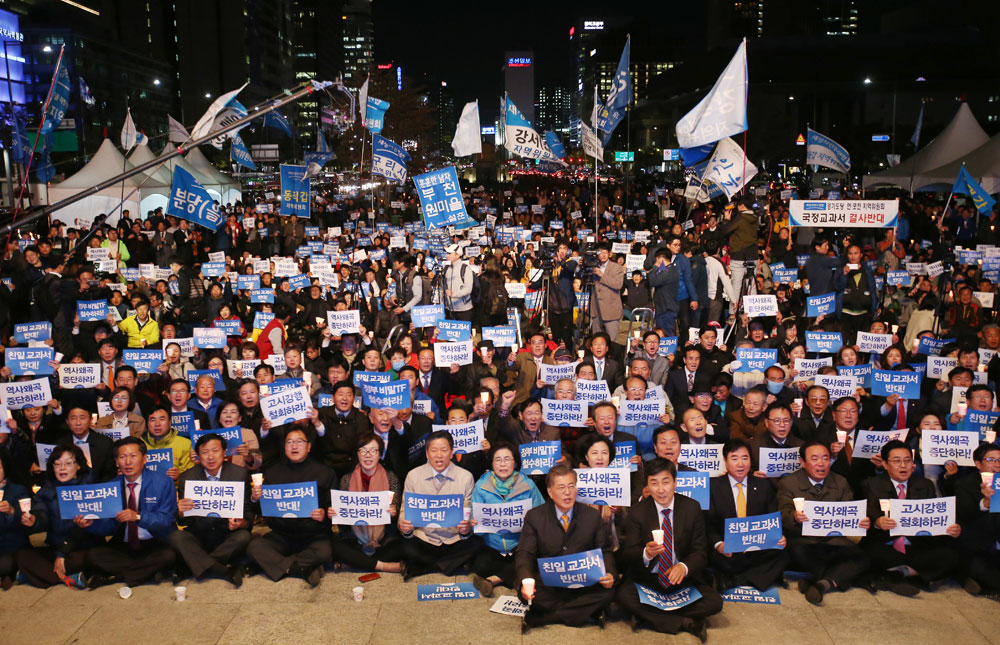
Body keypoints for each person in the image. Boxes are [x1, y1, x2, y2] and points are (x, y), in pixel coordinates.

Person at [617, 458, 722, 637]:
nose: (661, 489)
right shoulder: (638, 511)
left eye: (665, 482)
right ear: (648, 486)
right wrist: (646, 554)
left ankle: (649, 616)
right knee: (623, 596)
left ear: (675, 483)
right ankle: (686, 622)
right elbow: (629, 553)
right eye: (654, 483)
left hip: (681, 581)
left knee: (715, 602)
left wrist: (683, 567)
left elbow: (700, 552)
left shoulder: (691, 508)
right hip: (649, 580)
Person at [516, 464, 617, 632]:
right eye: (561, 487)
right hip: (549, 584)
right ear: (550, 492)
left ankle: (545, 617)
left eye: (571, 486)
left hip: (583, 583)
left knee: (610, 591)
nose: (567, 492)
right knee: (525, 592)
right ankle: (584, 613)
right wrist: (525, 581)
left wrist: (610, 574)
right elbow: (525, 554)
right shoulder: (535, 516)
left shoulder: (591, 516)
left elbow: (604, 550)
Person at [861, 440, 962, 595]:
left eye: (907, 461)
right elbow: (869, 512)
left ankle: (895, 575)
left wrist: (949, 529)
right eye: (896, 461)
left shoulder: (925, 485)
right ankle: (916, 575)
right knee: (867, 553)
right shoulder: (872, 484)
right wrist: (878, 522)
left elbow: (933, 518)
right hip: (886, 544)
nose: (903, 465)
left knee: (951, 555)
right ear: (885, 464)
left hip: (916, 545)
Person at [777, 441, 871, 605]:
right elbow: (782, 514)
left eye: (825, 458)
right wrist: (794, 517)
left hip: (835, 541)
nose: (821, 464)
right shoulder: (789, 483)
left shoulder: (840, 482)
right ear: (803, 462)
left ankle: (819, 584)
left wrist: (861, 522)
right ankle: (837, 579)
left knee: (863, 557)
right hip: (805, 541)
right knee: (797, 552)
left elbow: (851, 512)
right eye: (815, 459)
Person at [84, 437, 178, 588]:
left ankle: (115, 577)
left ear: (145, 458)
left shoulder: (163, 482)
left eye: (133, 456)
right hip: (124, 543)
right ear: (116, 462)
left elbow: (167, 520)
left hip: (154, 541)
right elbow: (107, 527)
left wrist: (138, 517)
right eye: (122, 457)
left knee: (169, 556)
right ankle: (147, 572)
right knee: (93, 555)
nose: (128, 462)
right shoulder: (110, 487)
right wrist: (91, 524)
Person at [247, 427, 335, 586]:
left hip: (314, 535)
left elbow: (333, 507)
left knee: (325, 551)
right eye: (290, 442)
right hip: (281, 535)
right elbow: (261, 511)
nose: (294, 446)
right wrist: (255, 498)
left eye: (299, 442)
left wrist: (324, 514)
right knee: (255, 546)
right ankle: (301, 569)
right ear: (284, 447)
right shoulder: (272, 472)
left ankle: (278, 565)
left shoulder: (325, 472)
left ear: (309, 446)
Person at [704, 440, 789, 592]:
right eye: (734, 458)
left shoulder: (763, 485)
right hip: (727, 549)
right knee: (712, 557)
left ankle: (737, 579)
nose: (740, 464)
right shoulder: (713, 486)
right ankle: (758, 576)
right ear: (725, 461)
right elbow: (708, 523)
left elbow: (772, 517)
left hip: (757, 547)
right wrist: (719, 545)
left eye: (745, 458)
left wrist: (778, 537)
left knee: (782, 554)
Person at [171, 432, 254, 587]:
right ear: (197, 455)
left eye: (215, 451)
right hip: (199, 536)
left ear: (224, 453)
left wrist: (241, 523)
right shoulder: (187, 477)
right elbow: (183, 519)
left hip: (227, 536)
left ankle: (194, 564)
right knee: (177, 537)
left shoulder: (239, 474)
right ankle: (221, 569)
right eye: (205, 452)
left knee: (244, 537)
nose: (210, 457)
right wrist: (180, 511)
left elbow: (248, 515)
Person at [398, 431, 478, 579]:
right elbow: (404, 511)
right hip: (425, 539)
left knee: (477, 544)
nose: (439, 455)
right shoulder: (413, 476)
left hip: (454, 539)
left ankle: (425, 567)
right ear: (427, 454)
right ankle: (452, 565)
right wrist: (404, 526)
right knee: (403, 546)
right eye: (434, 450)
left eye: (444, 450)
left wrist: (467, 528)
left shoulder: (465, 477)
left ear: (451, 453)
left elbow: (469, 513)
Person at [469, 441, 544, 597]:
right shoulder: (481, 486)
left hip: (520, 545)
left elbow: (541, 515)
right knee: (479, 564)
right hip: (493, 545)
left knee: (533, 561)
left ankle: (493, 580)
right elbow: (474, 523)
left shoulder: (528, 485)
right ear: (492, 463)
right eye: (498, 460)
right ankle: (517, 580)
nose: (502, 464)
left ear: (515, 462)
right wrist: (474, 523)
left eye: (507, 459)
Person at [329, 432, 404, 574]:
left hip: (384, 540)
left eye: (373, 451)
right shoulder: (347, 479)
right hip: (355, 540)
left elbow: (396, 517)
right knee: (333, 545)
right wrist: (336, 513)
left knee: (402, 546)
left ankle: (354, 563)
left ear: (380, 454)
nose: (367, 455)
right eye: (363, 451)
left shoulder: (391, 478)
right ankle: (383, 566)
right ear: (357, 454)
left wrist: (394, 512)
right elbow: (344, 526)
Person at [954, 442, 1000, 597]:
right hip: (977, 547)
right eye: (991, 460)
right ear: (978, 464)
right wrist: (985, 503)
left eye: (999, 460)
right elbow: (965, 516)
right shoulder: (964, 484)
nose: (997, 464)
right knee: (984, 570)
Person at [0, 452, 31, 588]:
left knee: (5, 563)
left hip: (10, 543)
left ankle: (7, 575)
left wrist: (11, 512)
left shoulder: (17, 490)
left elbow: (26, 521)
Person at [140, 406, 194, 483]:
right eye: (152, 420)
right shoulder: (138, 445)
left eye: (162, 419)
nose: (157, 424)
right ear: (147, 424)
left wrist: (179, 476)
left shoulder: (185, 444)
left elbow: (192, 475)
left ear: (169, 422)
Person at [589, 242, 625, 341]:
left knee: (612, 342)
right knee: (597, 341)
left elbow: (618, 285)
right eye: (600, 252)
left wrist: (602, 275)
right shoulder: (592, 266)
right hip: (596, 311)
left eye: (605, 252)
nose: (603, 255)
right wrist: (580, 267)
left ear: (609, 253)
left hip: (611, 311)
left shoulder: (617, 268)